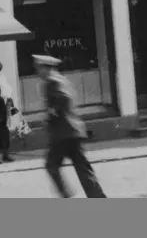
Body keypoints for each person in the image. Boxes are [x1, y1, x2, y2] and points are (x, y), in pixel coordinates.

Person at [33, 54, 106, 198]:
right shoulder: (62, 79)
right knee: (83, 169)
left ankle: (66, 195)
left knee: (51, 165)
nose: (38, 72)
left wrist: (52, 114)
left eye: (39, 68)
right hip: (74, 131)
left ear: (47, 68)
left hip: (63, 133)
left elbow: (62, 98)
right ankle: (97, 197)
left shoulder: (51, 82)